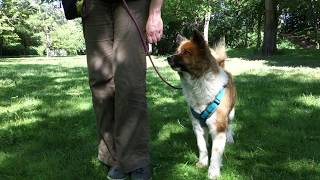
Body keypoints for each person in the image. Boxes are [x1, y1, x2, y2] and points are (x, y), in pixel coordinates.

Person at [82, 0, 163, 179]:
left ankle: (135, 160)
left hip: (133, 3)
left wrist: (155, 11)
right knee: (100, 81)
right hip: (95, 6)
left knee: (130, 80)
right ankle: (113, 157)